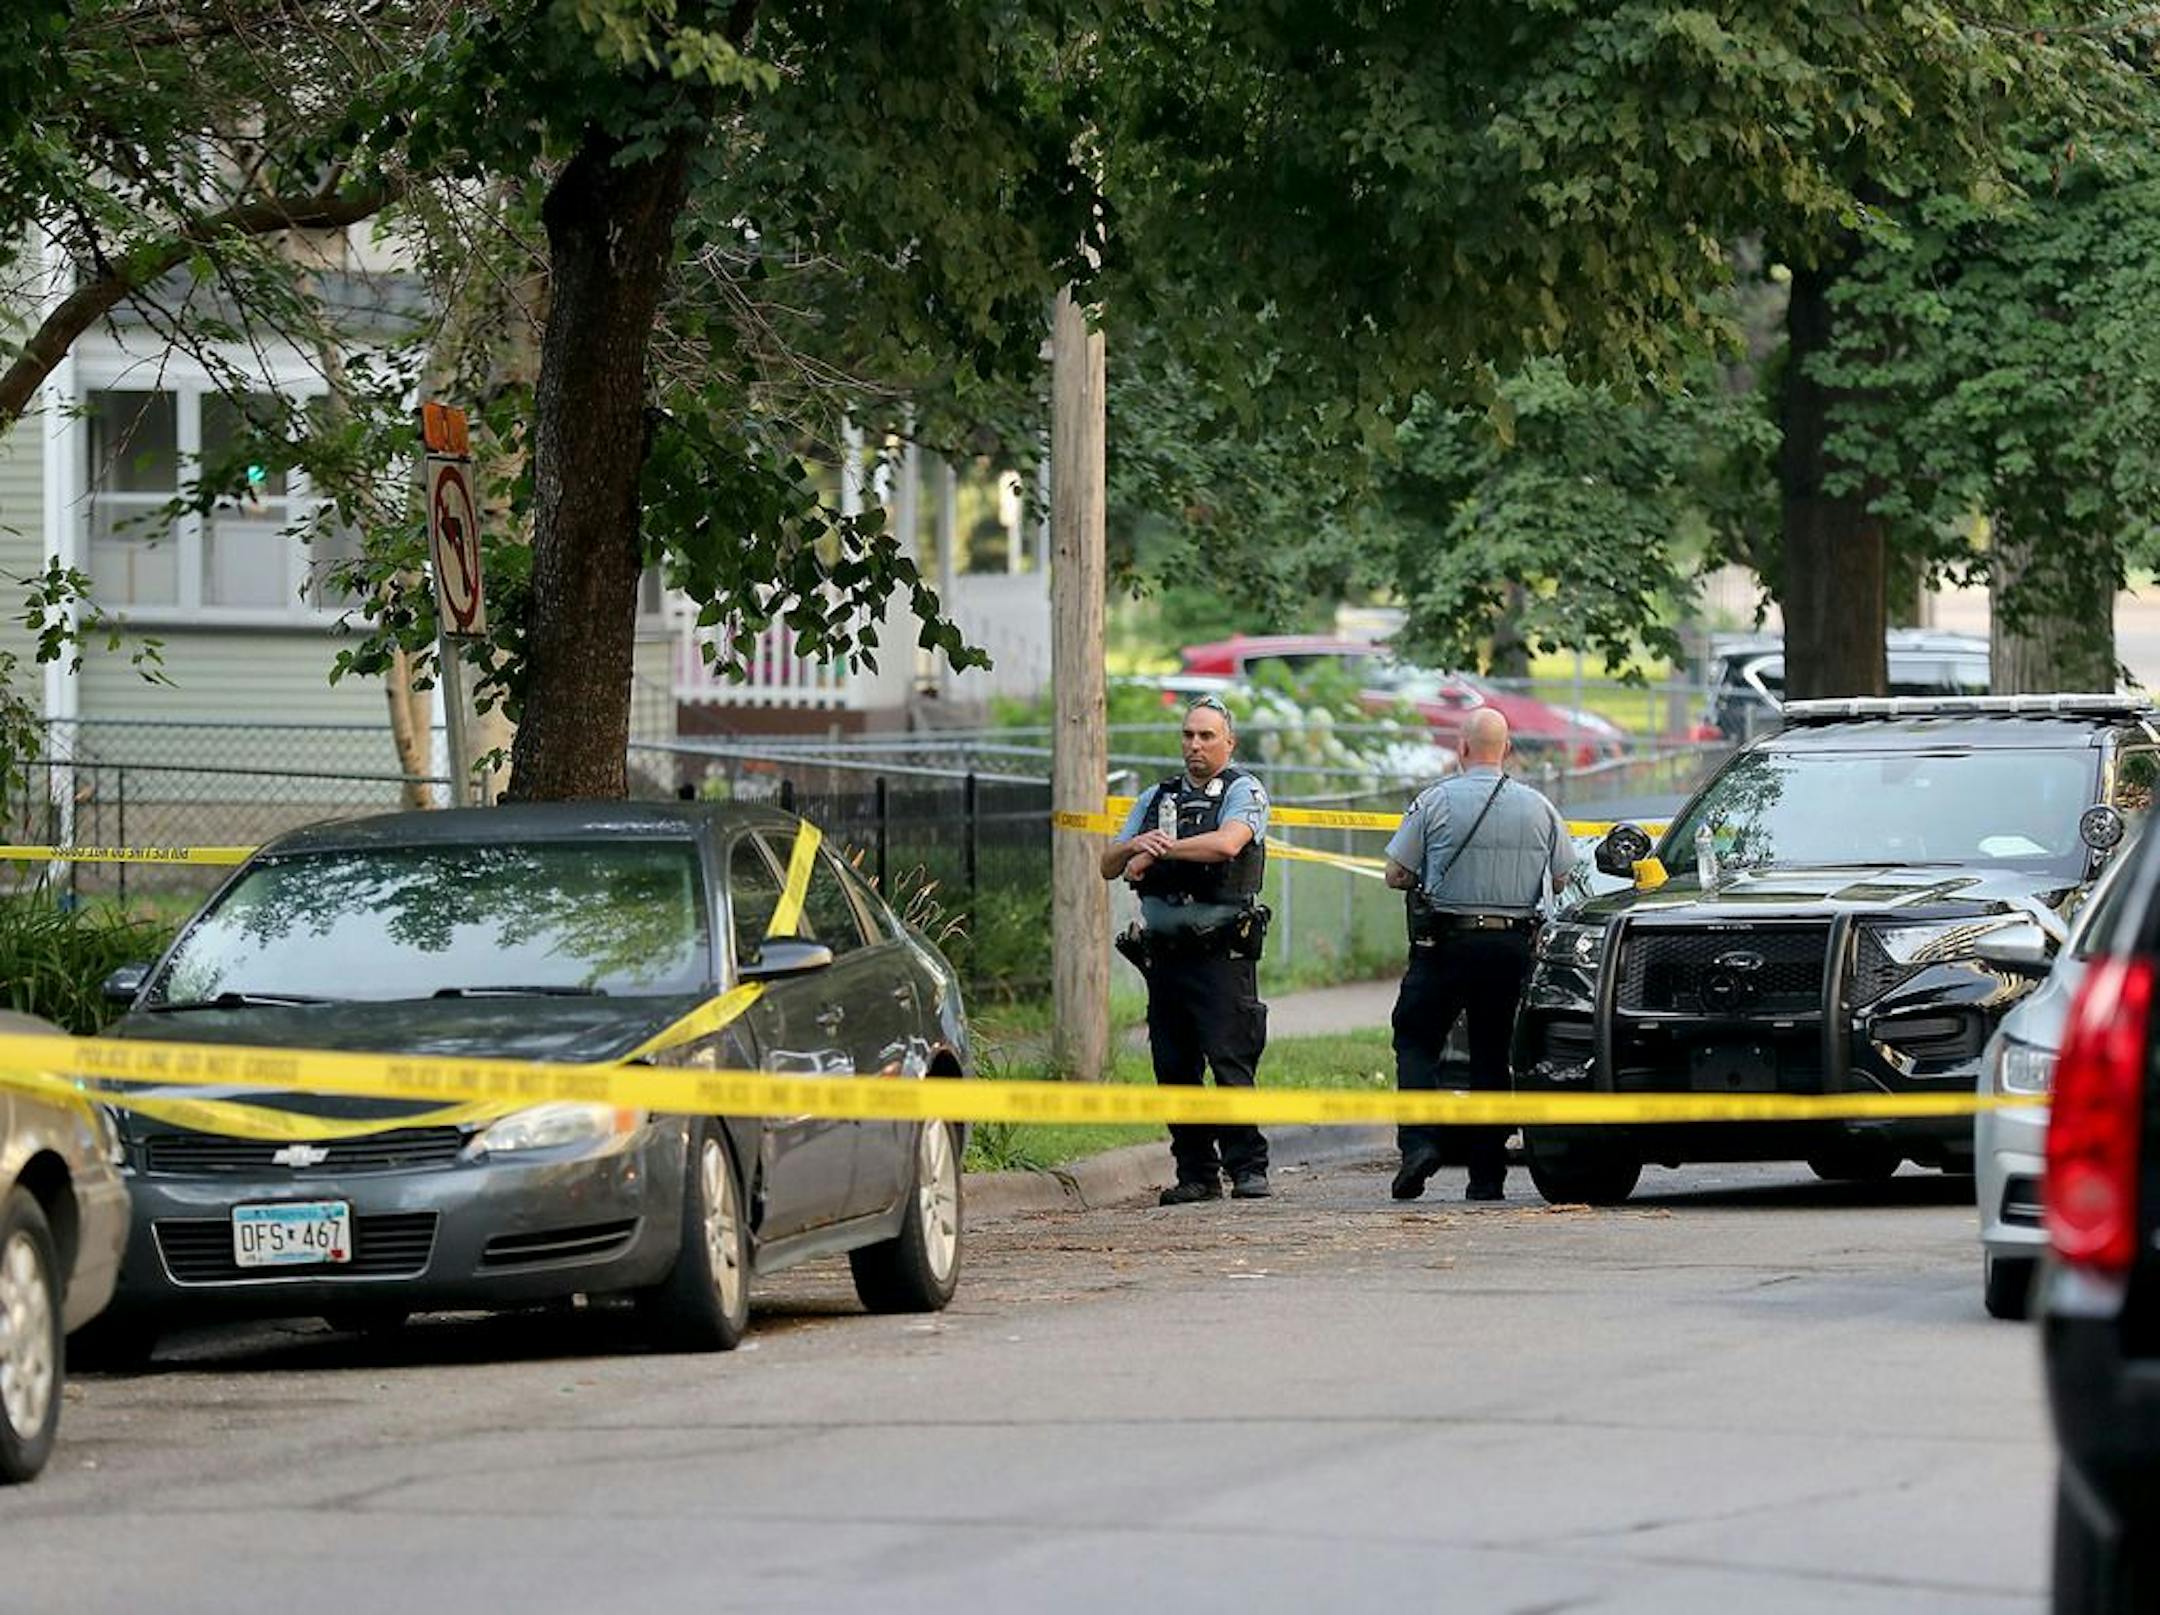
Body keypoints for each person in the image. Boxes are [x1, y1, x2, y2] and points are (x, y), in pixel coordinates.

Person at [1384, 707, 1575, 1202]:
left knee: (1416, 1039)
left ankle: (1419, 1144)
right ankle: (1487, 1177)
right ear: (1507, 749)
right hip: (1510, 947)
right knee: (1492, 1055)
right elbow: (1561, 878)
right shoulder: (1539, 808)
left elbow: (1396, 873)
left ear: (1462, 747)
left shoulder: (1434, 801)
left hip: (1446, 945)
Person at [1099, 695, 1272, 1204]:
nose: (1195, 745)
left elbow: (1227, 844)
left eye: (1206, 736)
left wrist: (1162, 849)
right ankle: (1196, 1174)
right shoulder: (1157, 797)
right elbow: (1108, 863)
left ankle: (1248, 1169)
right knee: (1174, 1067)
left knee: (1230, 1062)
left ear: (1228, 743)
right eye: (1188, 735)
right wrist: (1135, 846)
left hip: (1221, 955)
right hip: (1166, 956)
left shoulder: (1244, 791)